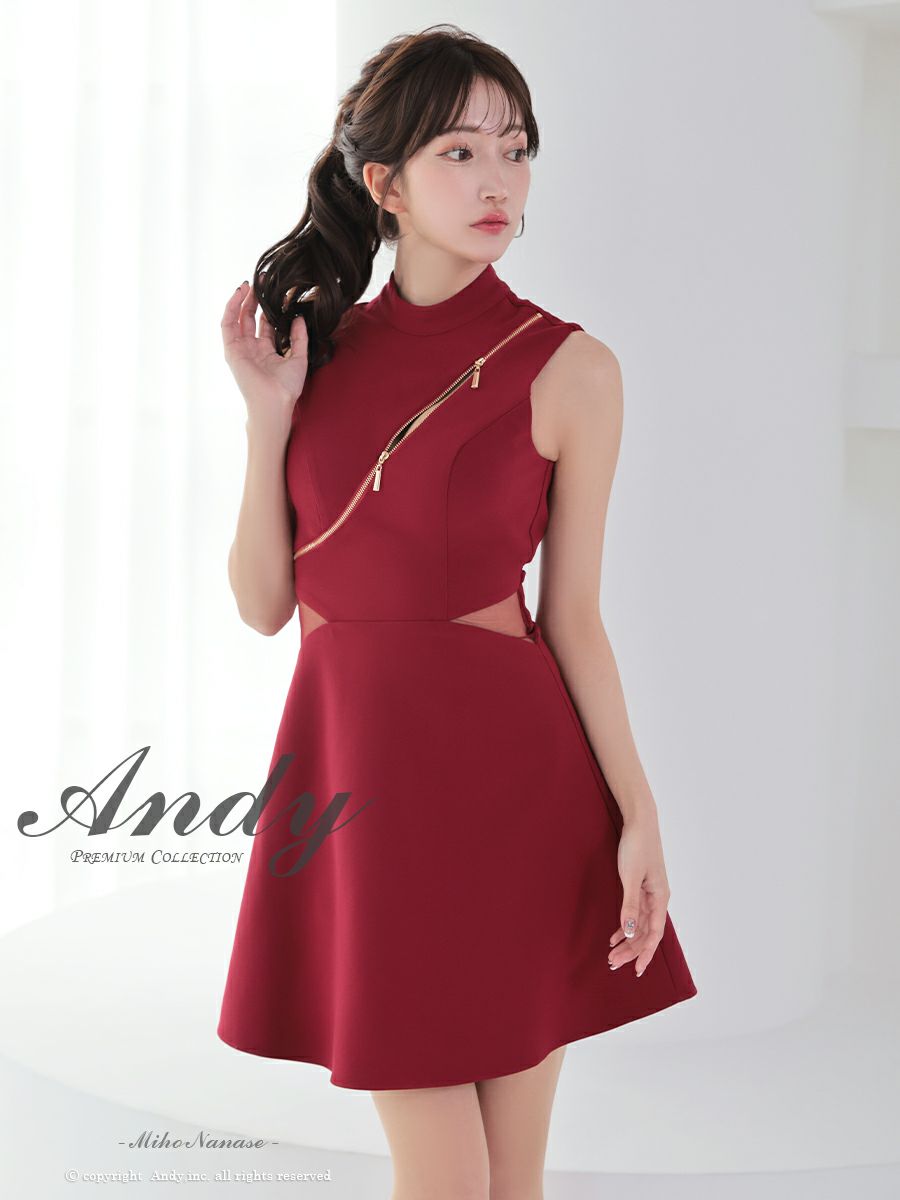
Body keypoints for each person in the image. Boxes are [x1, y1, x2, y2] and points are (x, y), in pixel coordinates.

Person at [217, 23, 697, 1200]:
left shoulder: (573, 369)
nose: (498, 182)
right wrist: (268, 418)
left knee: (507, 1180)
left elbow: (573, 617)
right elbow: (264, 605)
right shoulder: (312, 358)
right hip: (361, 783)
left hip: (518, 791)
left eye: (516, 150)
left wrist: (639, 814)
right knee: (445, 1173)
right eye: (461, 152)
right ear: (385, 183)